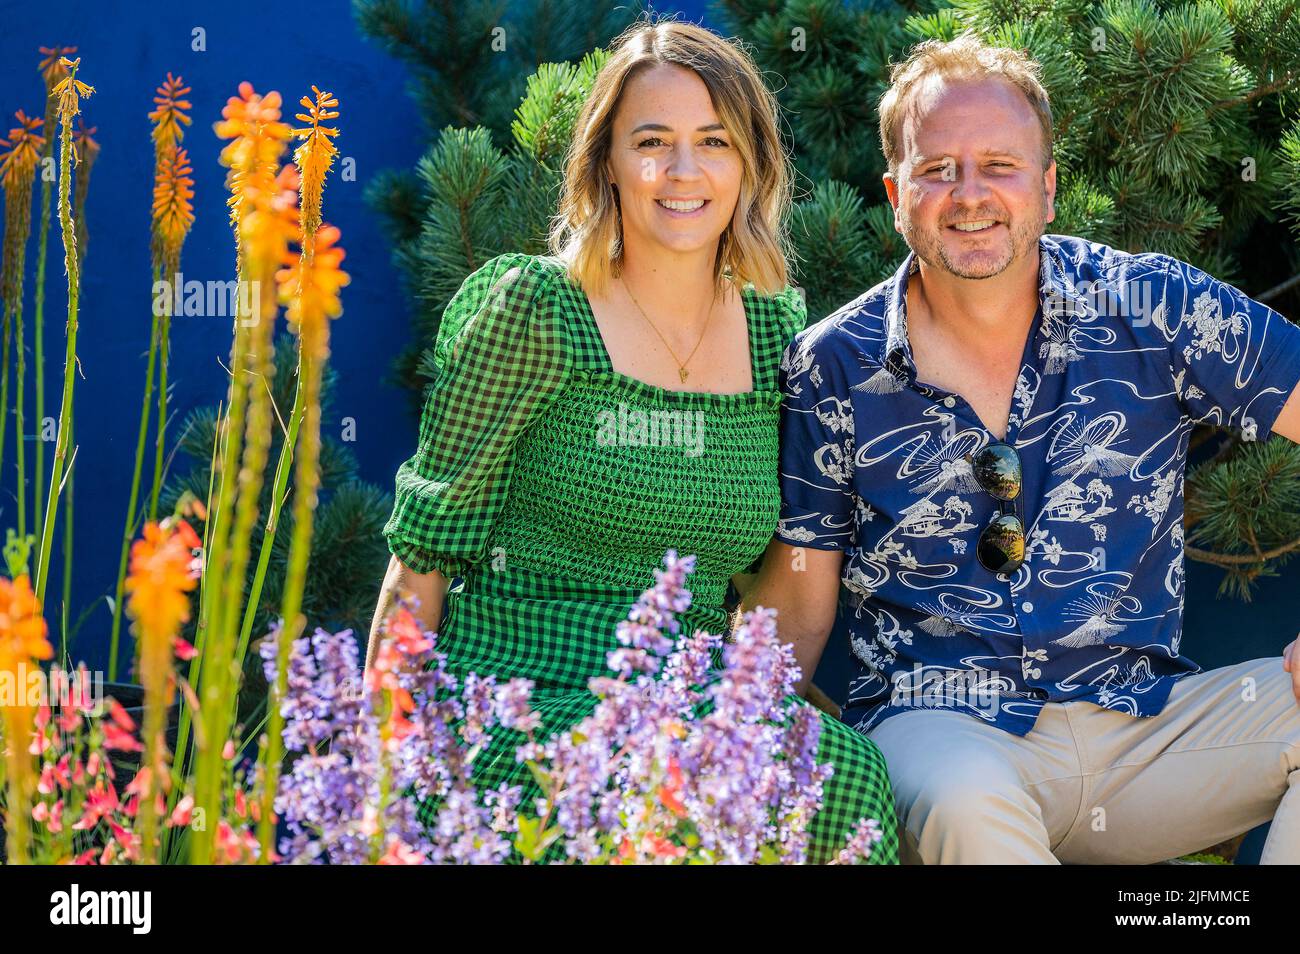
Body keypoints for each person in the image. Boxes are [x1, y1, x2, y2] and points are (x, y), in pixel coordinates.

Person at [742, 31, 1300, 864]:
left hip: (1151, 728)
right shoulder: (833, 364)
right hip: (943, 732)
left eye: (1000, 165)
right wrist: (722, 754)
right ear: (897, 193)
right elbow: (802, 600)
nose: (969, 195)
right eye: (937, 170)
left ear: (1046, 188)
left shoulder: (1153, 305)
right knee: (970, 805)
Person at [369, 18, 899, 864]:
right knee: (639, 792)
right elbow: (422, 556)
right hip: (515, 692)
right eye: (651, 141)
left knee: (846, 776)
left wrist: (748, 714)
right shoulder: (534, 312)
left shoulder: (775, 338)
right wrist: (386, 772)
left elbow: (775, 580)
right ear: (606, 163)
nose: (682, 172)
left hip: (680, 691)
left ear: (749, 165)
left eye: (713, 142)